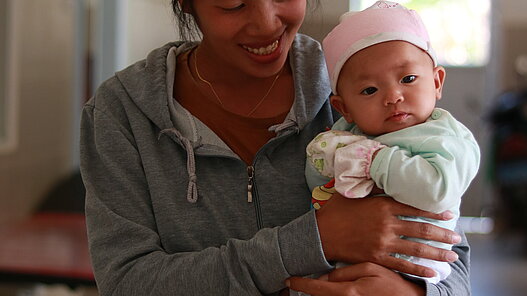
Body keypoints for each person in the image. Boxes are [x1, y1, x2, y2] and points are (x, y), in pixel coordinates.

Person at [79, 0, 469, 295]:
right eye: (234, 3)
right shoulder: (123, 111)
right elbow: (127, 282)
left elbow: (452, 260)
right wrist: (311, 242)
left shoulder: (365, 80)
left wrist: (416, 292)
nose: (266, 23)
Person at [302, 0, 480, 286]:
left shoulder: (446, 137)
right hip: (348, 263)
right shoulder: (348, 132)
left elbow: (438, 191)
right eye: (369, 89)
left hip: (412, 272)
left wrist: (375, 161)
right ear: (344, 107)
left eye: (408, 78)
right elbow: (318, 183)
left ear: (436, 82)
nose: (393, 96)